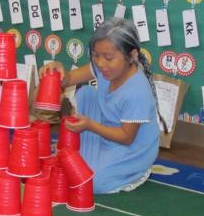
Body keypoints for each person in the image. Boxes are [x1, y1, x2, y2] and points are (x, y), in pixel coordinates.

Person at [39, 17, 167, 194]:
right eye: (96, 56)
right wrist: (58, 71)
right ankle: (88, 149)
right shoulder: (105, 66)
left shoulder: (137, 91)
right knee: (85, 94)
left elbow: (126, 137)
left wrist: (90, 126)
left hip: (131, 148)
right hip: (105, 126)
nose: (100, 63)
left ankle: (137, 173)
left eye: (108, 57)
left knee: (91, 181)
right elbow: (70, 78)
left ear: (132, 55)